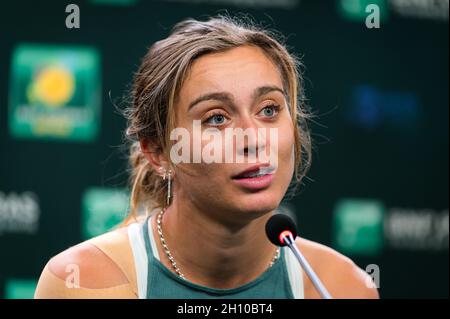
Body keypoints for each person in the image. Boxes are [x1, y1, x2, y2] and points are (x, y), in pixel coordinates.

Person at [34, 15, 379, 299]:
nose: (254, 138)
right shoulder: (81, 284)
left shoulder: (343, 288)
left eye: (270, 109)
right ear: (157, 150)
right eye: (217, 118)